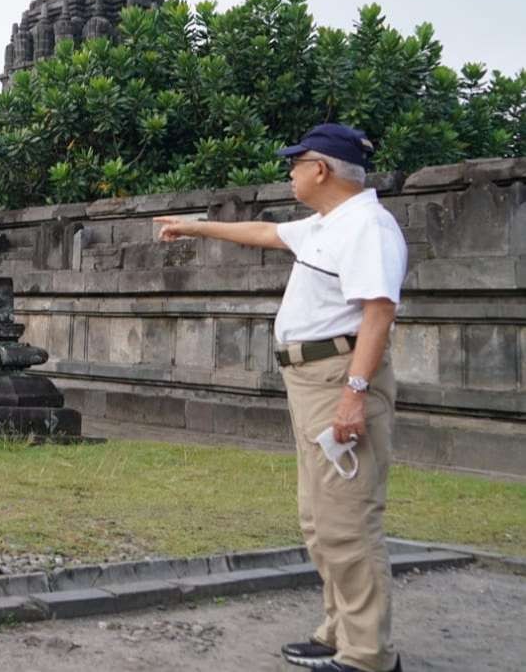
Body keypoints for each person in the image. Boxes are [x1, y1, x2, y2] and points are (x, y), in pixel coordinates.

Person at [154, 123, 406, 672]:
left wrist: (353, 395)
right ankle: (338, 631)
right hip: (309, 378)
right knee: (320, 518)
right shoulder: (327, 224)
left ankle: (368, 656)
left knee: (348, 519)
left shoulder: (367, 226)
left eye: (296, 162)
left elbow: (378, 312)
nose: (290, 171)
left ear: (322, 169)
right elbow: (265, 234)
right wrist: (191, 226)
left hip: (339, 376)